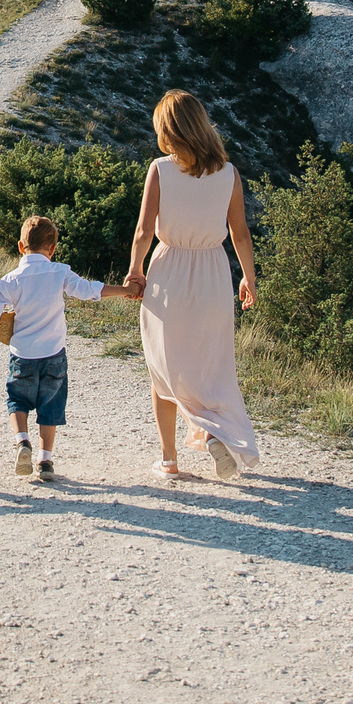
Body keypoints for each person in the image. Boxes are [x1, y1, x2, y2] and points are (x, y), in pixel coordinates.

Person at [126, 89, 262, 480]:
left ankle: (169, 459)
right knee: (209, 366)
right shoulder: (229, 173)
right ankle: (216, 434)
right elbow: (241, 234)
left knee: (162, 365)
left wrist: (136, 270)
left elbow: (143, 230)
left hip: (169, 272)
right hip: (214, 274)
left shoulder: (161, 169)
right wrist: (249, 279)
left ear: (168, 130)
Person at [0, 214, 142, 480]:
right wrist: (125, 290)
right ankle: (45, 461)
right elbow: (89, 290)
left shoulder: (11, 280)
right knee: (51, 405)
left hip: (22, 355)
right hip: (54, 355)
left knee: (17, 399)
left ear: (21, 247)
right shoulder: (60, 272)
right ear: (53, 248)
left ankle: (22, 441)